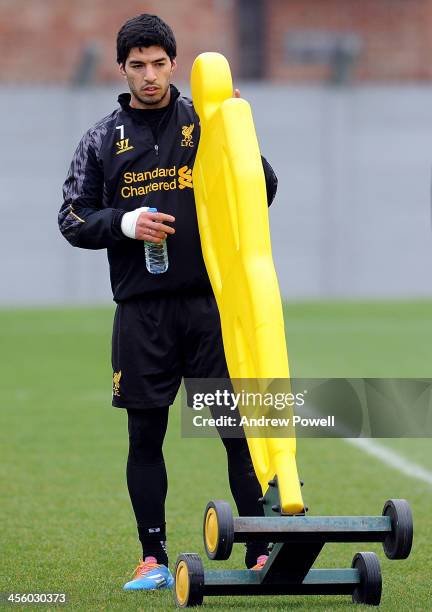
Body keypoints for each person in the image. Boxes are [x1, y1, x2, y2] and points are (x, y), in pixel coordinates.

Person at [58, 13, 277, 592]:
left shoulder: (205, 123)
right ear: (122, 68)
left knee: (237, 428)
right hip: (142, 313)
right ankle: (152, 557)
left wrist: (236, 124)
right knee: (145, 436)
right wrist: (125, 222)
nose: (150, 75)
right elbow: (71, 218)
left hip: (210, 306)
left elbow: (264, 188)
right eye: (138, 66)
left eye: (159, 64)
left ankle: (259, 547)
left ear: (174, 64)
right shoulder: (101, 138)